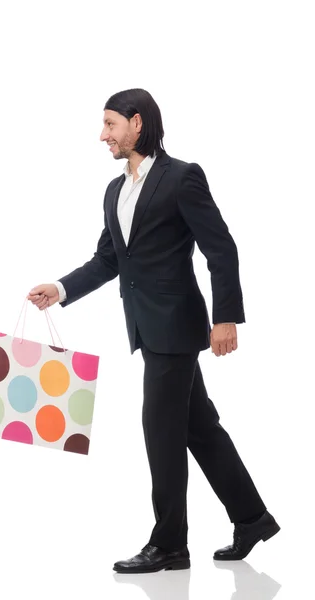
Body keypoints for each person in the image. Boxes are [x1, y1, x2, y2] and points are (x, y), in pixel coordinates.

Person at [27, 88, 280, 574]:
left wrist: (225, 317)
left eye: (110, 125)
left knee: (159, 430)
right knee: (197, 427)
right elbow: (108, 259)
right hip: (147, 328)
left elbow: (221, 248)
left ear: (136, 123)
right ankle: (252, 518)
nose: (103, 136)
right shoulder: (114, 190)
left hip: (178, 328)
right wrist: (59, 288)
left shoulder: (182, 177)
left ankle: (169, 545)